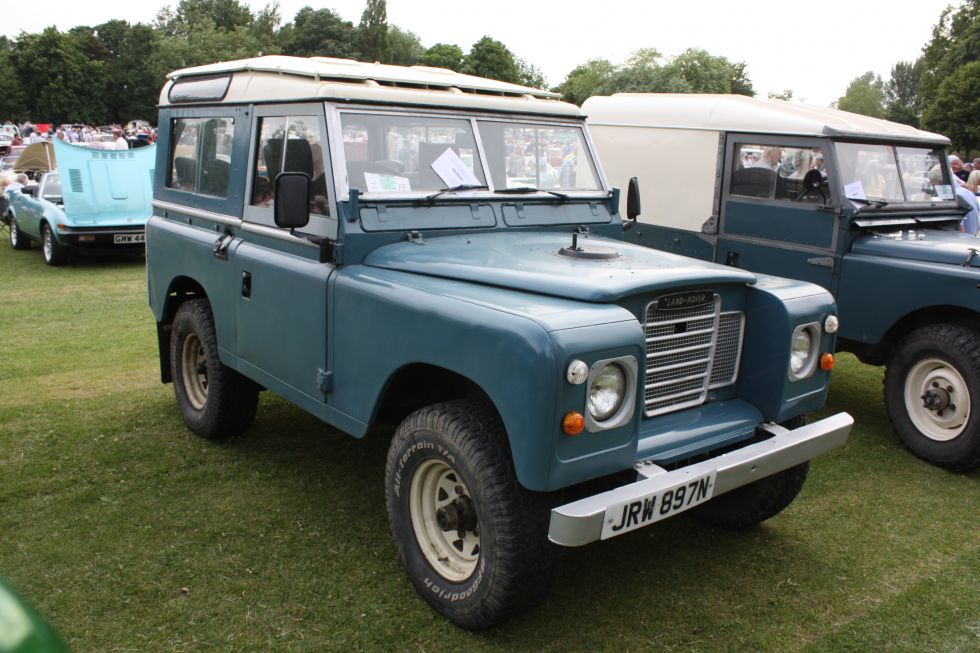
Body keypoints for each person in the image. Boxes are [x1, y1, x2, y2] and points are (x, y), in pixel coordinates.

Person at [933, 165, 979, 234]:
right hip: (973, 237)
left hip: (964, 240)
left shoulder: (953, 197)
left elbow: (960, 228)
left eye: (935, 184)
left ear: (941, 182)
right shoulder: (967, 192)